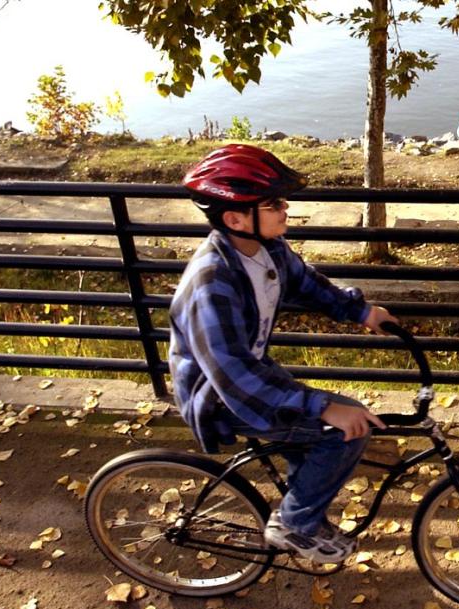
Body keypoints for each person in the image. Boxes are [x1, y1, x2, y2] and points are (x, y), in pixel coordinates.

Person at [170, 144, 398, 564]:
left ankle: (302, 509)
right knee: (348, 429)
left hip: (254, 377)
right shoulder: (211, 283)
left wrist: (360, 311)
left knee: (324, 432)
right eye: (273, 203)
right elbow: (232, 375)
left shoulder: (267, 249)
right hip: (222, 397)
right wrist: (323, 406)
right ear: (236, 218)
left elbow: (307, 283)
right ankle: (294, 524)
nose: (285, 207)